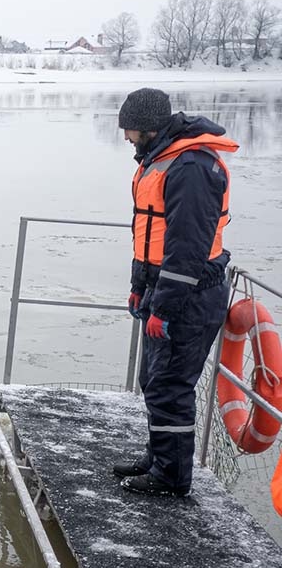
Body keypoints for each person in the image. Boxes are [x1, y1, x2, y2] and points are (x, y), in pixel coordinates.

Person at [113, 88, 236, 497]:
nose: (126, 137)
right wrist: (139, 286)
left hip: (190, 297)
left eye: (129, 129)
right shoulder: (162, 158)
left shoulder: (192, 167)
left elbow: (187, 249)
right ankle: (160, 456)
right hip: (162, 290)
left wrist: (164, 308)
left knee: (170, 386)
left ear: (148, 126)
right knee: (154, 382)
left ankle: (171, 478)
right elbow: (148, 233)